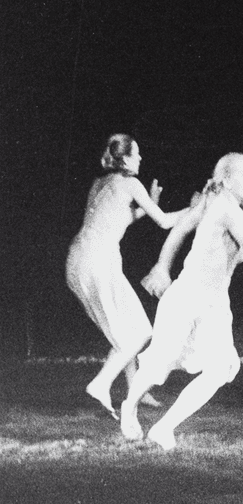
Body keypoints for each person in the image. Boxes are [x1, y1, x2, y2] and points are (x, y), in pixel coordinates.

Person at [118, 153, 243, 450]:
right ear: (227, 181)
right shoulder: (222, 207)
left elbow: (241, 249)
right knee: (160, 363)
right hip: (186, 296)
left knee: (220, 369)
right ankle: (129, 406)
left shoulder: (229, 208)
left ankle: (163, 428)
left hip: (216, 304)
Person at [66, 134, 192, 416]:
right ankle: (100, 385)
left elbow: (115, 219)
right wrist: (195, 209)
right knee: (139, 332)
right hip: (99, 261)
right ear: (124, 158)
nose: (141, 159)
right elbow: (165, 222)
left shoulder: (100, 183)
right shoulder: (131, 183)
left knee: (124, 331)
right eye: (136, 154)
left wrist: (148, 207)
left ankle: (136, 390)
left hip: (77, 260)